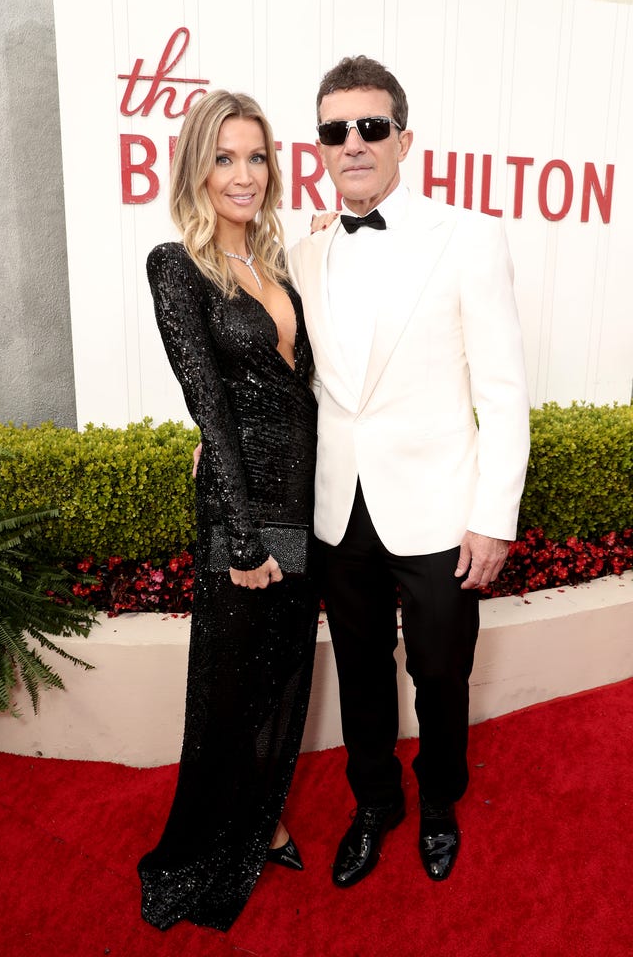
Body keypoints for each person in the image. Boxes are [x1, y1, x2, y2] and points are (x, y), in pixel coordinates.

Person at [288, 56, 531, 888]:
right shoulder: (305, 250)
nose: (352, 142)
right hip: (339, 505)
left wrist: (495, 516)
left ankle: (438, 804)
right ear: (319, 146)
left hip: (438, 508)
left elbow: (502, 391)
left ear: (403, 139)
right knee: (358, 673)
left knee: (439, 672)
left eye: (370, 126)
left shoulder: (468, 236)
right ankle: (374, 803)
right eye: (334, 130)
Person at [137, 90, 319, 932]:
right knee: (223, 694)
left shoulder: (277, 265)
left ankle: (261, 817)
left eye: (256, 157)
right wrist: (241, 536)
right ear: (197, 168)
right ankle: (200, 851)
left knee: (281, 678)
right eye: (225, 157)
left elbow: (302, 396)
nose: (243, 175)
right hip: (242, 511)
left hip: (303, 503)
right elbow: (208, 404)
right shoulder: (177, 265)